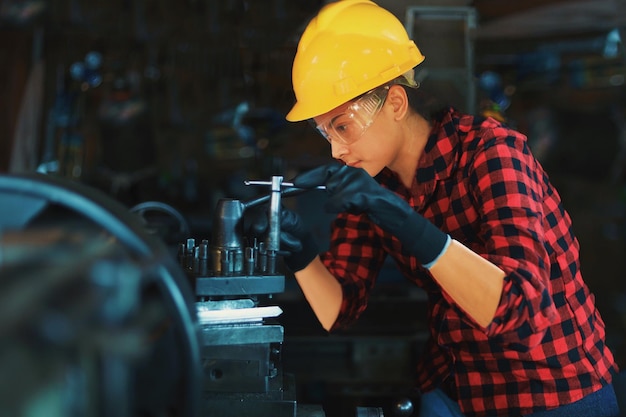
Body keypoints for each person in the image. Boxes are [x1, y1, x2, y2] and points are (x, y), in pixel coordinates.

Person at [262, 1, 622, 416]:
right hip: (461, 389)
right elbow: (338, 311)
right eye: (325, 132)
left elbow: (519, 309)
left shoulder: (492, 154)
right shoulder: (375, 184)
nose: (336, 149)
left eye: (342, 126)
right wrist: (302, 251)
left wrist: (404, 221)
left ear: (395, 103)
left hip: (551, 392)